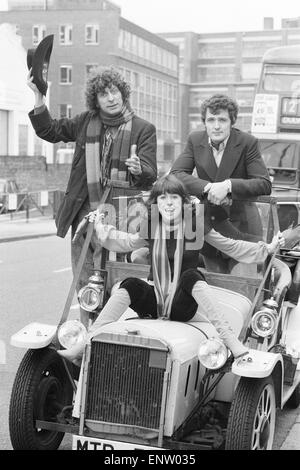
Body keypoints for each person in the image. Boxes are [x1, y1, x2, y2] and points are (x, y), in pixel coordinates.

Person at [58, 174, 284, 365]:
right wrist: (99, 226)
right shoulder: (152, 225)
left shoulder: (194, 227)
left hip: (181, 305)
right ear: (156, 203)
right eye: (163, 198)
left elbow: (231, 246)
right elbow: (126, 242)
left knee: (191, 275)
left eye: (174, 198)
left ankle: (233, 343)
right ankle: (87, 342)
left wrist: (267, 248)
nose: (168, 203)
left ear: (183, 202)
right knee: (130, 284)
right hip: (154, 303)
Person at [27, 66, 157, 327]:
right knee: (85, 281)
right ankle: (86, 335)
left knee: (114, 282)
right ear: (95, 100)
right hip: (84, 214)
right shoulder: (86, 121)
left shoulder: (144, 128)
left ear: (123, 93)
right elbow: (50, 131)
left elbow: (150, 174)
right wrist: (39, 97)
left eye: (116, 91)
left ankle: (110, 333)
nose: (112, 98)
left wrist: (139, 169)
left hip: (121, 216)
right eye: (104, 94)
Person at [170, 94, 272, 272]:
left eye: (222, 120)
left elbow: (263, 183)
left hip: (242, 228)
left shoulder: (247, 142)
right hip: (210, 229)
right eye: (211, 120)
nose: (216, 126)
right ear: (205, 122)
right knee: (216, 288)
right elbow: (176, 174)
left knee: (242, 288)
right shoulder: (195, 140)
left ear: (232, 121)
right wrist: (208, 187)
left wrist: (228, 186)